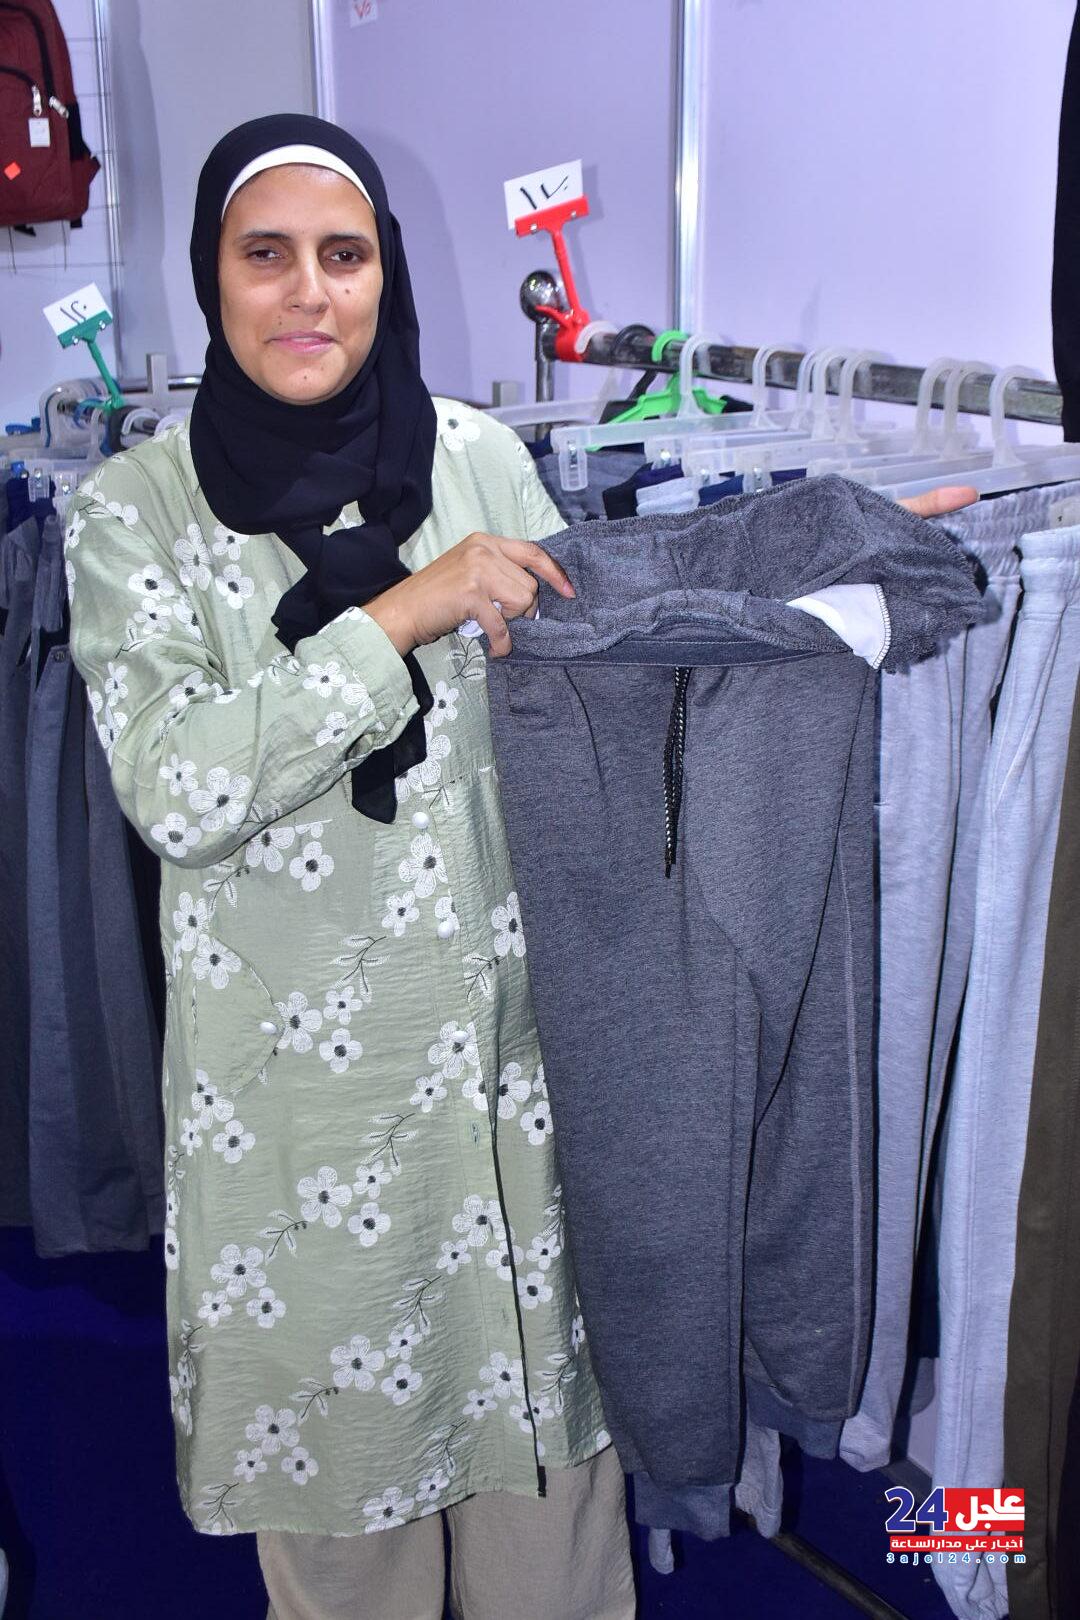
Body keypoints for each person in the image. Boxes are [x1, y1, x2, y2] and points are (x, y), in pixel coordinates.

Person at [64, 113, 974, 1620]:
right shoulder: (134, 514)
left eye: (344, 256)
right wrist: (400, 615)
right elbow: (179, 784)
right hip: (303, 1158)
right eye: (266, 254)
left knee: (555, 1558)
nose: (309, 292)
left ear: (387, 275)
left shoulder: (476, 457)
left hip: (519, 1125)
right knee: (350, 1567)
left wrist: (827, 546)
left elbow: (606, 623)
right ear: (210, 278)